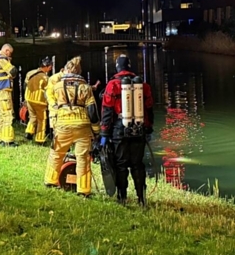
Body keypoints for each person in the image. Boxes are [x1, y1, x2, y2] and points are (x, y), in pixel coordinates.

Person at [100, 54, 155, 206]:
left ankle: (122, 197)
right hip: (139, 126)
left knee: (121, 164)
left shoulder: (112, 85)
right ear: (130, 66)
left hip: (120, 127)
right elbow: (149, 108)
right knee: (137, 163)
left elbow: (107, 110)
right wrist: (148, 128)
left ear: (117, 67)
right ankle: (141, 199)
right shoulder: (142, 85)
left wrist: (104, 133)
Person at [44, 56, 100, 196]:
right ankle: (83, 190)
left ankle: (50, 181)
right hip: (82, 126)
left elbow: (50, 100)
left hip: (63, 125)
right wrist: (96, 131)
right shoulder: (85, 88)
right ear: (79, 71)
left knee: (56, 153)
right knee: (83, 158)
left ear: (66, 70)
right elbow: (92, 111)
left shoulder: (57, 86)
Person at [0, 43, 18, 146]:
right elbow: (13, 71)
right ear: (6, 51)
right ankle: (8, 141)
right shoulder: (1, 59)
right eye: (10, 53)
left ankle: (0, 138)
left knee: (2, 115)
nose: (10, 55)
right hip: (3, 92)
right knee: (8, 115)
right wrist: (10, 62)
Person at [23, 56, 53, 144]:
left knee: (32, 117)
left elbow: (25, 85)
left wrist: (25, 99)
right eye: (50, 67)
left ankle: (29, 132)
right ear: (46, 67)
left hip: (29, 99)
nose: (50, 69)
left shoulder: (30, 73)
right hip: (40, 101)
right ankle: (40, 139)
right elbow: (48, 92)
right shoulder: (46, 78)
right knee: (42, 120)